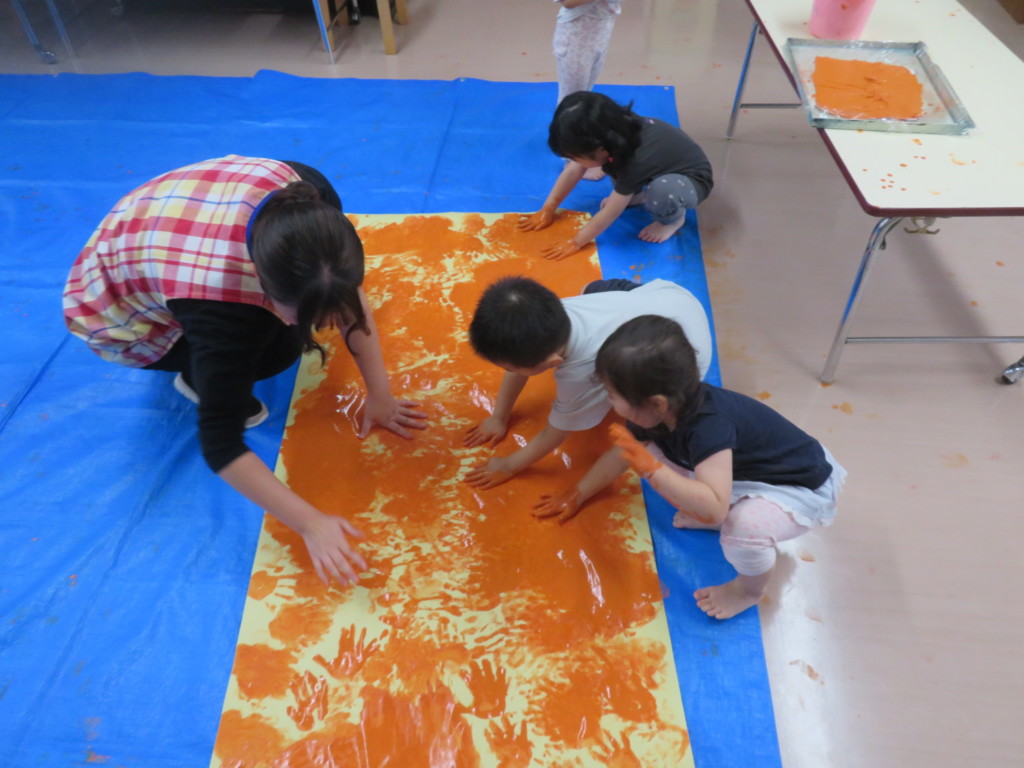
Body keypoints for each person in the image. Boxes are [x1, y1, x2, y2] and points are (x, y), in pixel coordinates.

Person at [63, 155, 426, 587]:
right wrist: (311, 523)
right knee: (279, 352)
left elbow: (346, 297)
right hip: (114, 317)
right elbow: (221, 446)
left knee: (296, 324)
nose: (326, 323)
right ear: (263, 285)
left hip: (163, 232)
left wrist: (380, 396)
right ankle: (193, 376)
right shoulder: (219, 307)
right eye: (308, 314)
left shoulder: (307, 199)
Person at [578, 314, 845, 620]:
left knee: (744, 527)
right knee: (646, 451)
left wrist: (652, 470)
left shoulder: (710, 427)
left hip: (797, 486)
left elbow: (716, 509)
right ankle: (709, 503)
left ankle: (749, 591)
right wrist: (578, 493)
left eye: (613, 395)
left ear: (657, 403)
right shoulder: (661, 410)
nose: (609, 402)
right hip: (745, 473)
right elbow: (621, 454)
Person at [462, 275, 713, 493]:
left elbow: (556, 431)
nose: (508, 372)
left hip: (682, 355)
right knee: (588, 290)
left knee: (641, 405)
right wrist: (499, 416)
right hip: (667, 297)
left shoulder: (582, 372)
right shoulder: (553, 313)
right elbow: (519, 363)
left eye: (509, 369)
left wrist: (509, 465)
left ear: (553, 362)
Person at [518, 90, 713, 254]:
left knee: (662, 190)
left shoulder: (633, 159)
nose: (574, 162)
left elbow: (611, 213)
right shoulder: (615, 135)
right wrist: (548, 208)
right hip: (655, 167)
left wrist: (576, 242)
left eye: (576, 156)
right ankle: (637, 195)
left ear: (600, 149)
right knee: (614, 166)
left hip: (692, 180)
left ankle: (672, 220)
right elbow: (573, 171)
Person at [551, 0, 623, 181]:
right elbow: (569, 2)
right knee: (572, 100)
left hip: (600, 31)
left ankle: (581, 149)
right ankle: (571, 158)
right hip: (576, 36)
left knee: (585, 95)